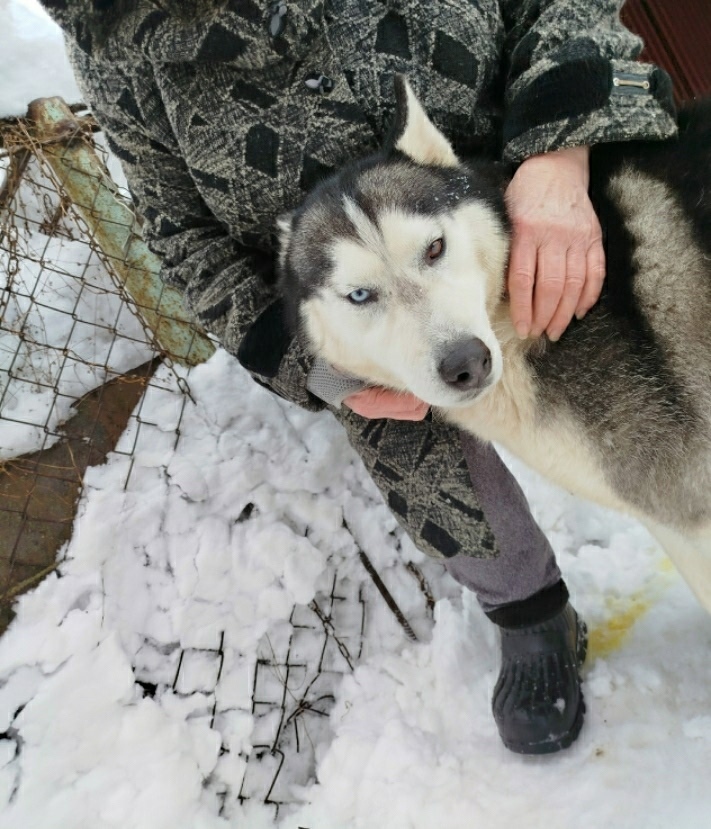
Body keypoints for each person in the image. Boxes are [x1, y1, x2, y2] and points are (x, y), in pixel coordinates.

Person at [42, 0, 677, 754]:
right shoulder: (111, 34)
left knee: (649, 382)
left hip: (524, 205)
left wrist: (558, 155)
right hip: (347, 294)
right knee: (406, 441)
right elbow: (182, 235)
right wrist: (317, 363)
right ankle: (528, 609)